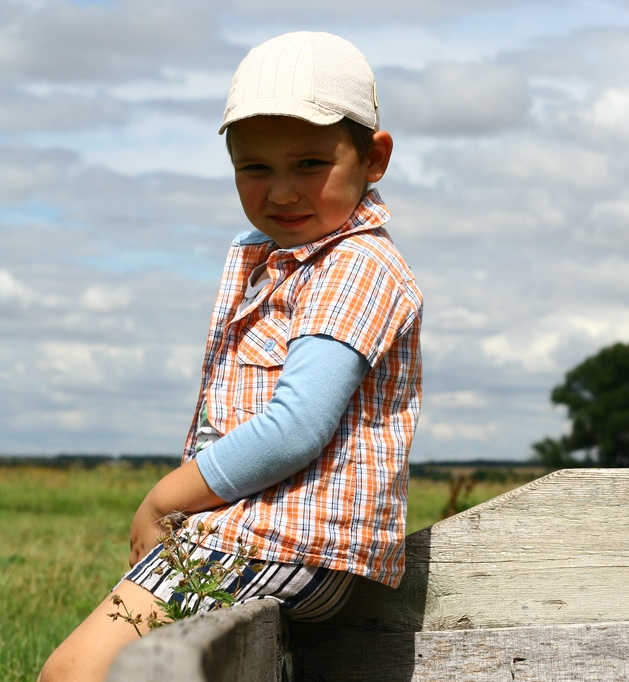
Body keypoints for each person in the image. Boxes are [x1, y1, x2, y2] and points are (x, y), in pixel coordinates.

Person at [39, 31, 422, 682]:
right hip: (274, 539)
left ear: (373, 159)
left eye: (308, 164)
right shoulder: (286, 263)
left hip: (288, 538)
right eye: (255, 168)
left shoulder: (353, 264)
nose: (280, 192)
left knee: (74, 674)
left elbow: (297, 426)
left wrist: (167, 500)